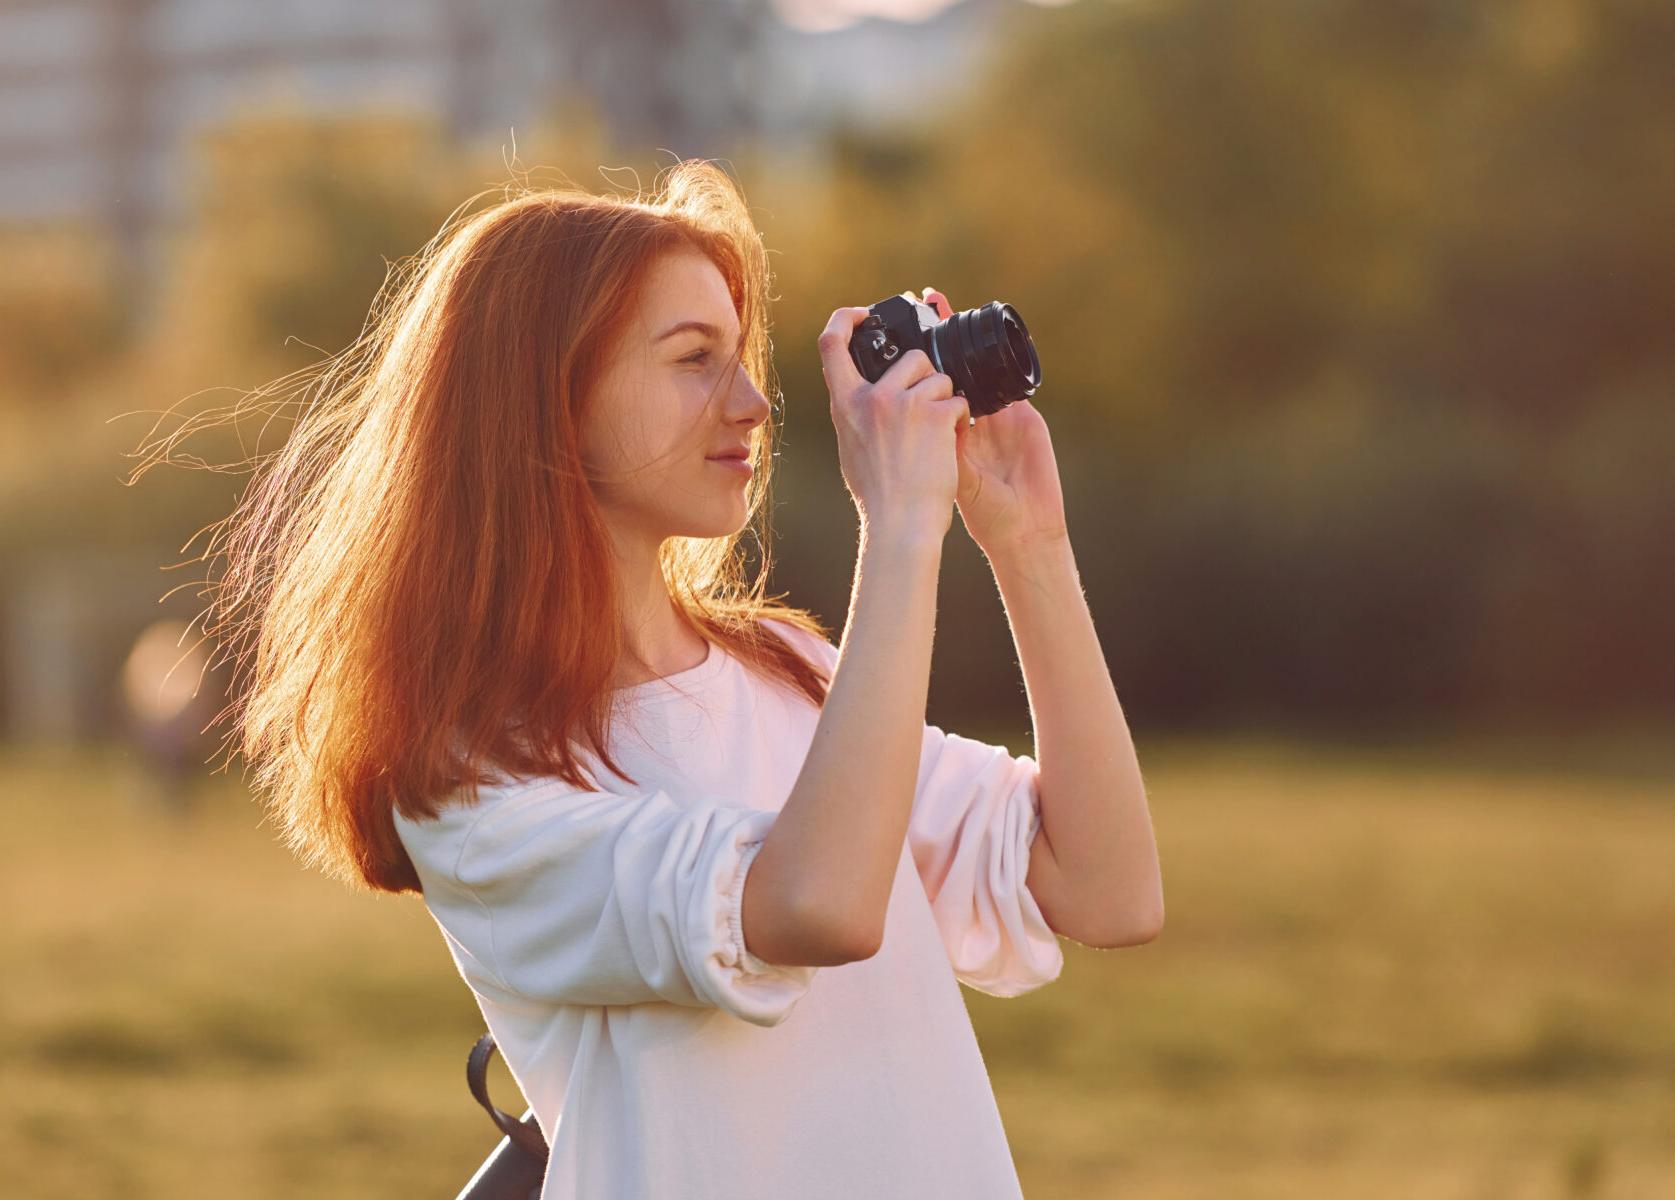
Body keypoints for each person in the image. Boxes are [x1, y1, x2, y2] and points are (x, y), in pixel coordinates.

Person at [199, 159, 1162, 1199]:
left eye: (739, 358)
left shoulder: (790, 672)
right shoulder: (476, 786)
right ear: (546, 399)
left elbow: (1105, 889)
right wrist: (898, 526)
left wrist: (1028, 543)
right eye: (694, 359)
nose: (750, 402)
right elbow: (816, 907)